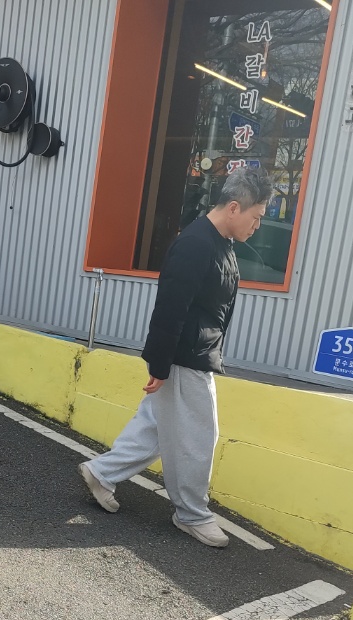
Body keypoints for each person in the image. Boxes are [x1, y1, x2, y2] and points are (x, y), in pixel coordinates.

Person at [78, 167, 271, 548]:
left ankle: (102, 473)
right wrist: (160, 365)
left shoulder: (219, 242)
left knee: (155, 427)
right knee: (200, 437)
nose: (257, 226)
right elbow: (169, 308)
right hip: (187, 356)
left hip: (192, 351)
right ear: (234, 207)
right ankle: (192, 515)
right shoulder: (198, 244)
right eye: (256, 217)